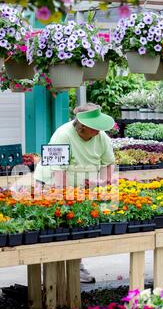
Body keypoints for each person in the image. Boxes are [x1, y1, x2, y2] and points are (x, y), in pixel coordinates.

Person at [34, 103, 115, 283]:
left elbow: (109, 164)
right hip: (49, 183)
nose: (99, 131)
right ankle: (49, 267)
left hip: (80, 186)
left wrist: (100, 182)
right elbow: (57, 172)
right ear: (82, 126)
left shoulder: (101, 137)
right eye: (95, 127)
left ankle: (76, 266)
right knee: (54, 224)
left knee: (77, 225)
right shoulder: (62, 135)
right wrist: (65, 197)